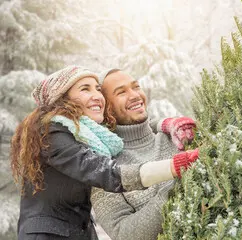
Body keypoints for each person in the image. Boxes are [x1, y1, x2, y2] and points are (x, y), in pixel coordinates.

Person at [10, 66, 198, 240]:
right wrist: (175, 169)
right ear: (62, 99)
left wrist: (165, 123)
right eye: (85, 89)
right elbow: (103, 171)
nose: (96, 95)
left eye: (98, 89)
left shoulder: (89, 136)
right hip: (47, 234)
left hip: (78, 233)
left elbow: (133, 127)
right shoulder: (51, 132)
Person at [91, 69, 198, 240]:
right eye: (121, 92)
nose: (134, 95)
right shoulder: (105, 169)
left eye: (136, 87)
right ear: (106, 108)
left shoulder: (176, 136)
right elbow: (123, 234)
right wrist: (177, 186)